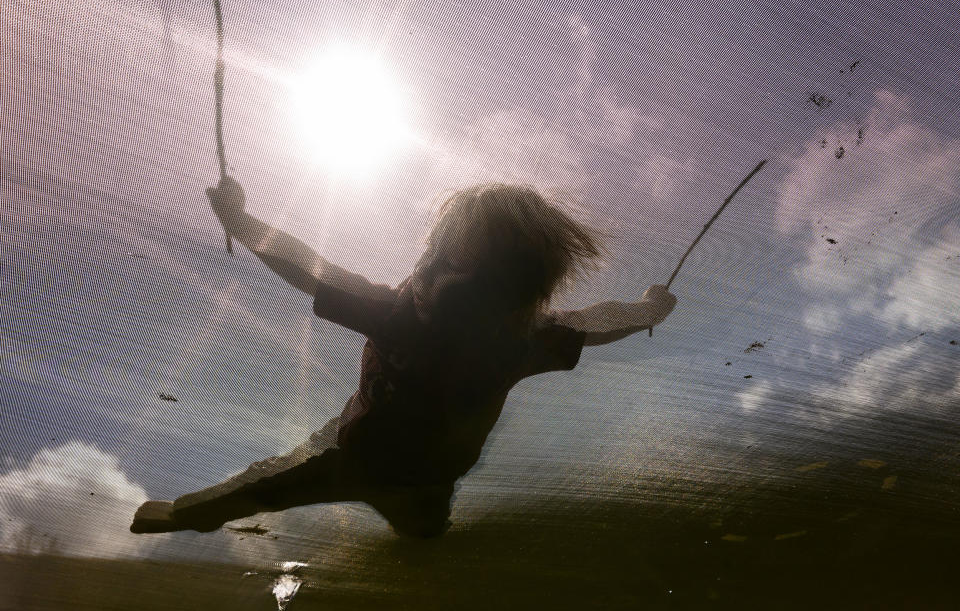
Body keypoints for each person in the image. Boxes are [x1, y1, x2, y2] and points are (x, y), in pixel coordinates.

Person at [130, 177, 676, 538]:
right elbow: (311, 266)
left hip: (423, 484)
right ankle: (185, 513)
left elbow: (601, 321)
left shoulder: (517, 336)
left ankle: (192, 512)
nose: (428, 273)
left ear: (508, 297)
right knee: (258, 487)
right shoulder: (487, 329)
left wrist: (647, 310)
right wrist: (242, 224)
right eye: (431, 253)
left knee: (417, 536)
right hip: (353, 457)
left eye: (456, 271)